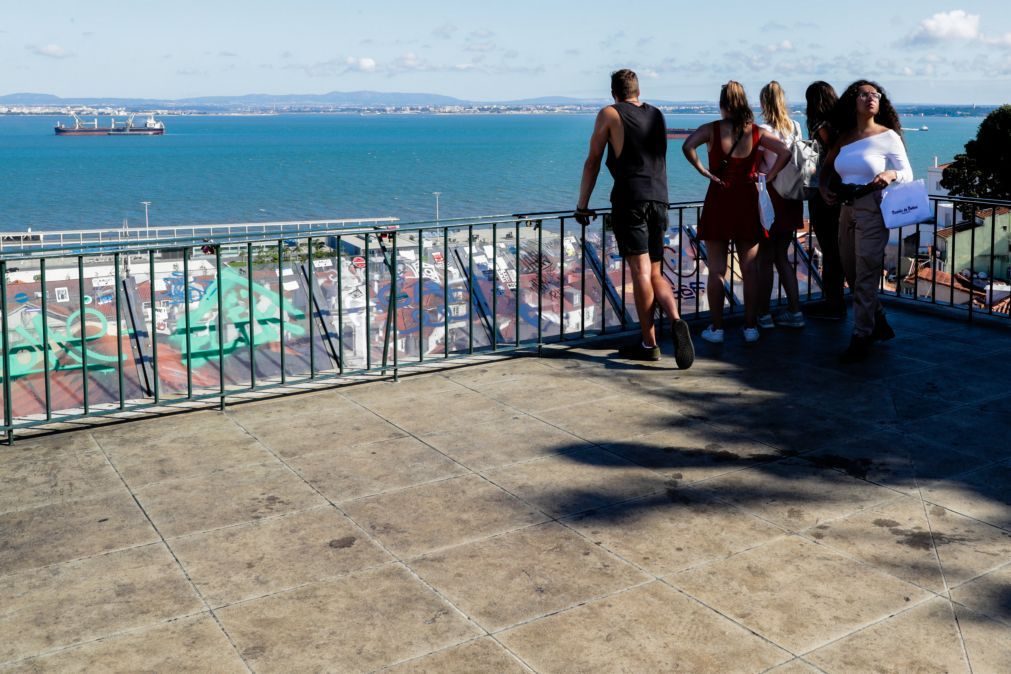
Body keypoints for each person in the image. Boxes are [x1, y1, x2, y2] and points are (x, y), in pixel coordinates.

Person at [575, 69, 694, 368]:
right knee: (656, 273)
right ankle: (677, 320)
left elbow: (593, 161)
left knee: (641, 273)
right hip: (660, 198)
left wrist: (582, 204)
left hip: (630, 199)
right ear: (637, 90)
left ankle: (649, 343)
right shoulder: (657, 114)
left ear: (614, 92)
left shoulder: (610, 114)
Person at [682, 81, 790, 344]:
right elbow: (785, 152)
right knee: (750, 268)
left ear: (722, 104)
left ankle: (717, 329)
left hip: (719, 197)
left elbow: (687, 146)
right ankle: (750, 327)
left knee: (717, 269)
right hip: (747, 198)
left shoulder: (711, 130)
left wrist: (704, 171)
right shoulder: (756, 132)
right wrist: (767, 177)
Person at [819, 80, 911, 362]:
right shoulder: (845, 137)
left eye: (876, 94)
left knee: (867, 273)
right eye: (864, 94)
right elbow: (827, 167)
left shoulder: (888, 136)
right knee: (852, 272)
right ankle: (878, 319)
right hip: (845, 210)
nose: (871, 98)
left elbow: (906, 172)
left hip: (872, 208)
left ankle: (861, 335)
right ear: (853, 101)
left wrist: (890, 175)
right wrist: (823, 188)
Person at [756, 81, 805, 330]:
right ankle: (796, 312)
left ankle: (763, 315)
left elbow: (758, 163)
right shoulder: (795, 126)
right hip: (792, 197)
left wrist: (770, 175)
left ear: (764, 102)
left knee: (765, 258)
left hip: (771, 198)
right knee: (783, 257)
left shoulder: (762, 129)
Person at [804, 81, 846, 321]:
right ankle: (834, 300)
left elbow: (832, 151)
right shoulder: (842, 124)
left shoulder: (821, 125)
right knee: (834, 249)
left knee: (830, 249)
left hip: (825, 190)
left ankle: (834, 302)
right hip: (838, 189)